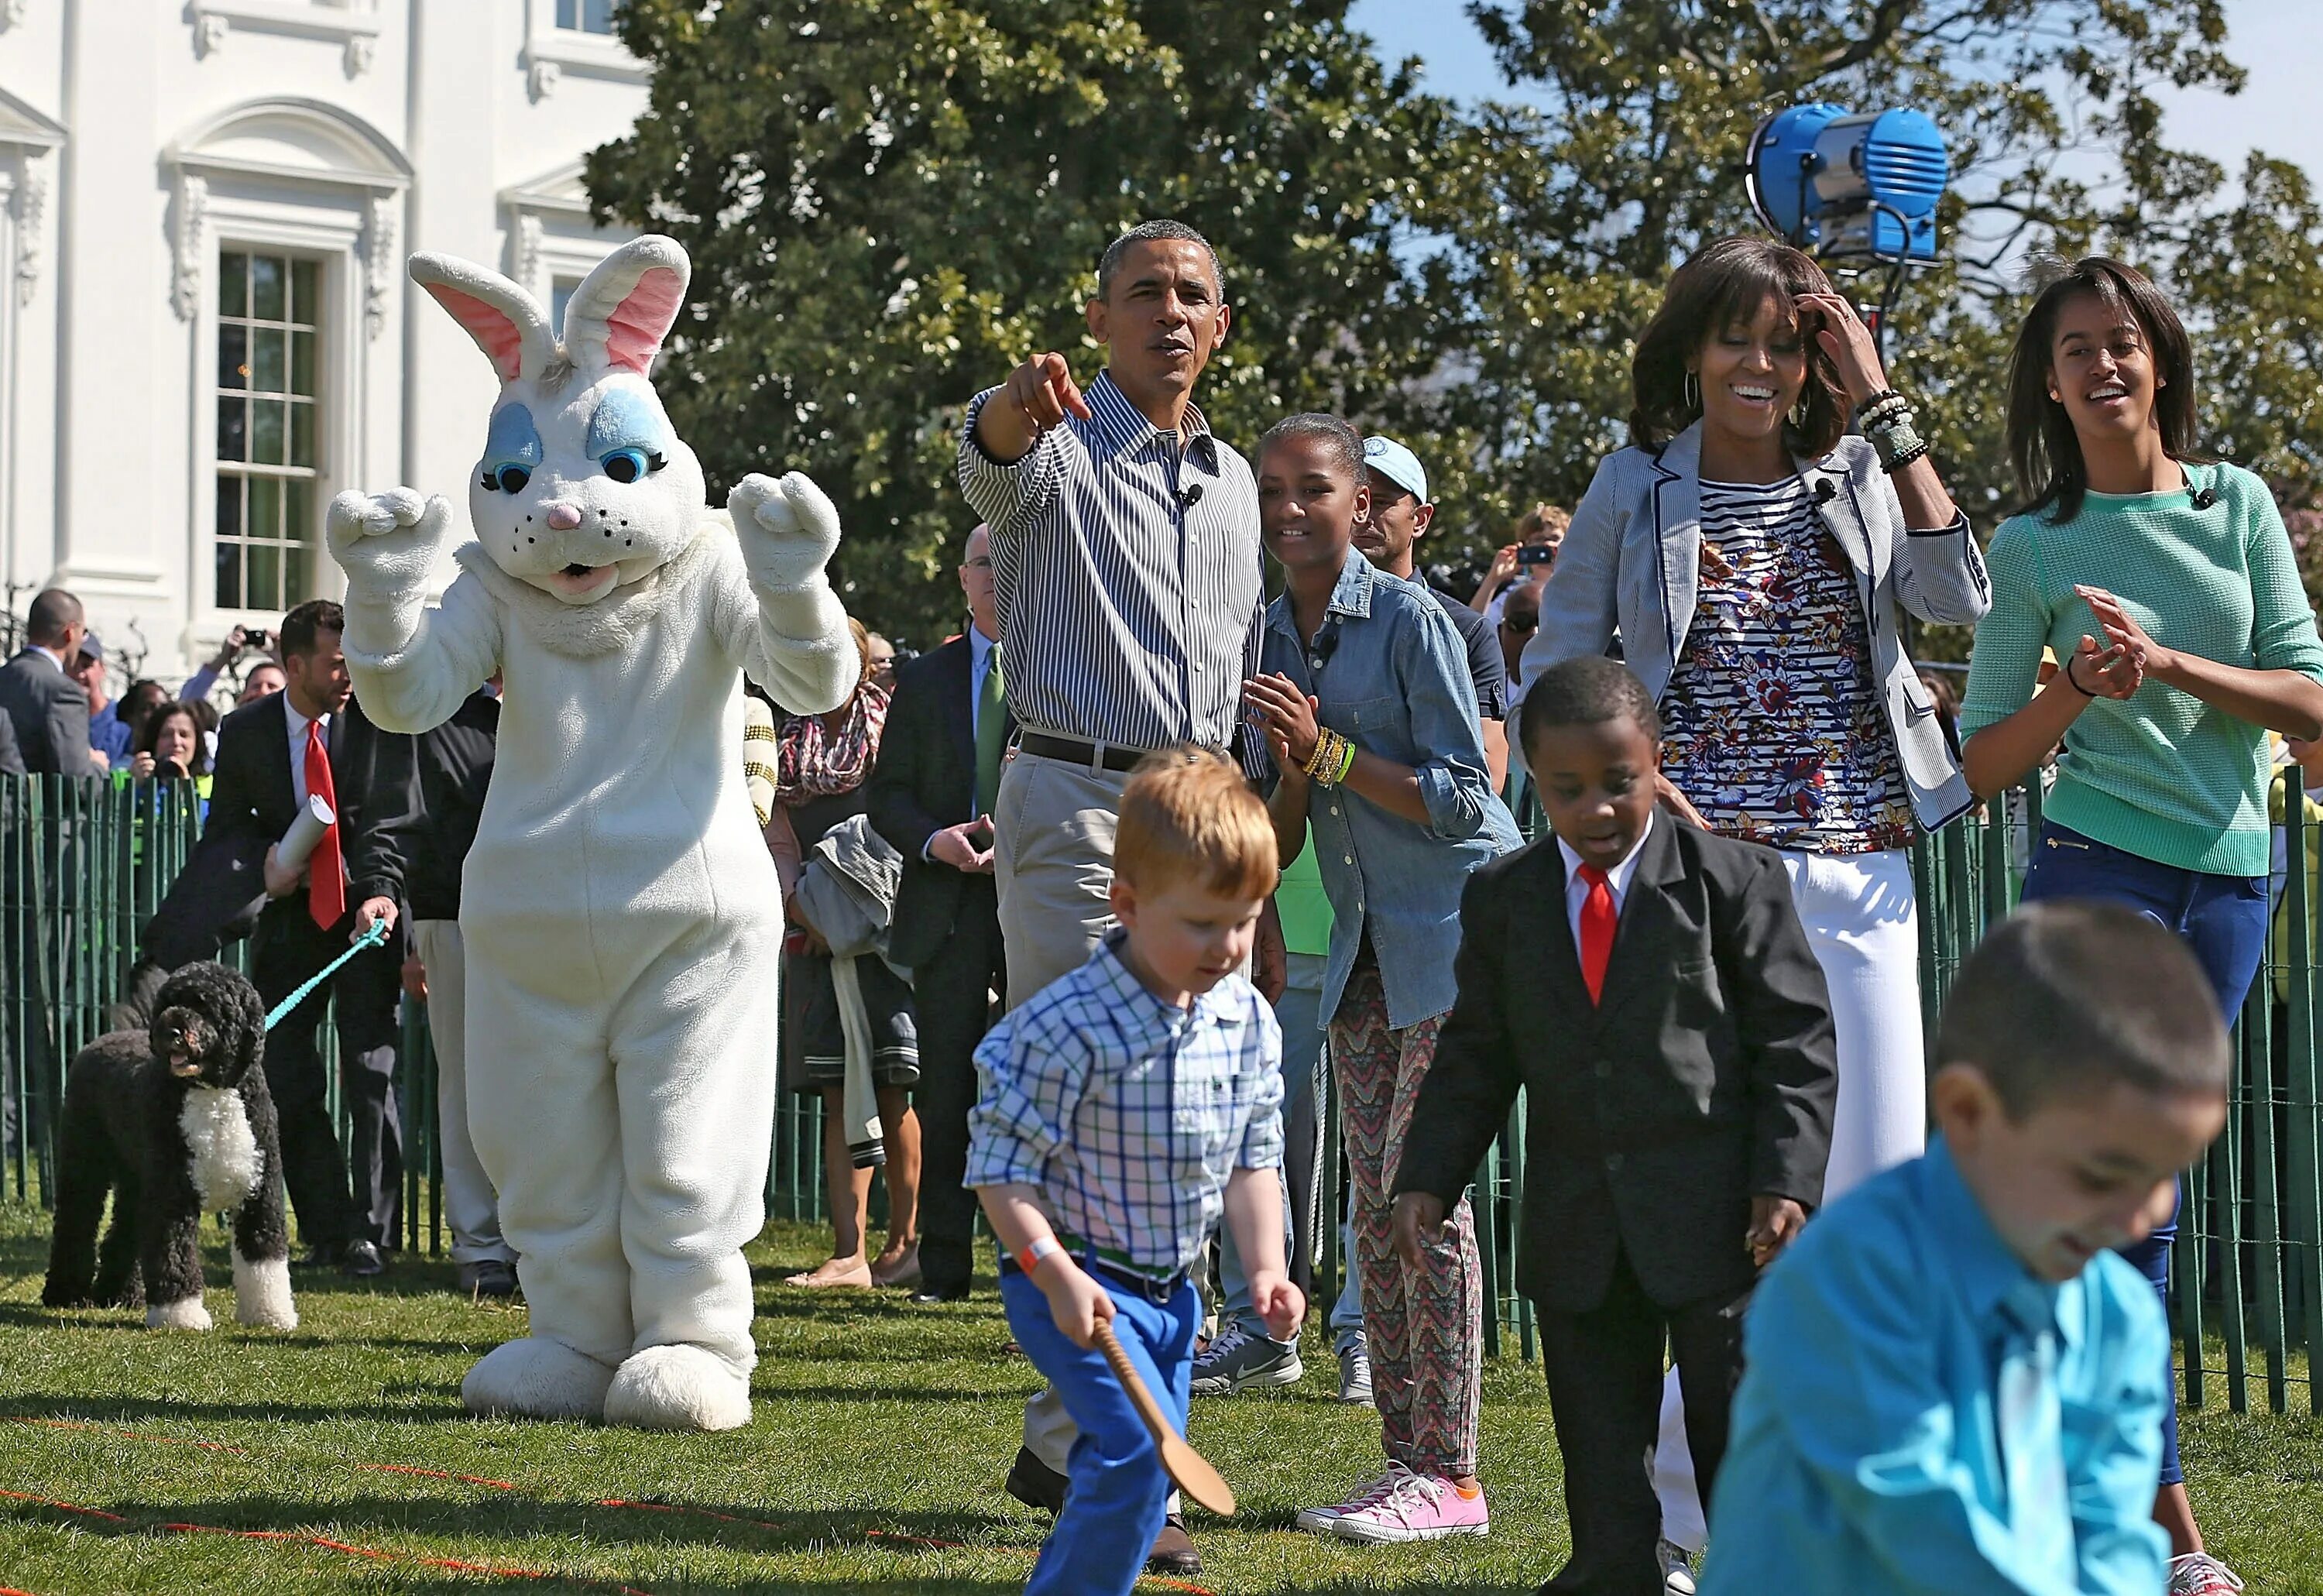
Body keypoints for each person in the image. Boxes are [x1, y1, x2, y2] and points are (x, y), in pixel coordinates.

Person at [1525, 235, 1990, 1584]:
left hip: (1860, 870)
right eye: (1737, 338)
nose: (1763, 366)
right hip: (1698, 884)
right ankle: (1677, 1519)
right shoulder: (1634, 485)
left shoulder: (1856, 474)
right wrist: (1634, 799)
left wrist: (1884, 398)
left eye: (1789, 345)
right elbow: (1557, 668)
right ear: (1687, 351)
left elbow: (1960, 597)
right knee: (1711, 1213)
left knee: (1876, 1198)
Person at [1957, 255, 2323, 1596]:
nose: (2103, 366)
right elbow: (1983, 760)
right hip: (2093, 871)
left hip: (2230, 884)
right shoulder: (2035, 543)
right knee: (2127, 1200)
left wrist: (2166, 665)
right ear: (2048, 385)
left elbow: (2309, 700)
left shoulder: (2239, 508)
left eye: (2122, 342)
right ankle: (2168, 1532)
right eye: (2075, 351)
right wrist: (2078, 692)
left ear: (2158, 358)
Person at [956, 216, 1265, 1577]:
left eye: (1194, 294)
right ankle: (1118, 1456)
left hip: (1196, 817)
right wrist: (1005, 408)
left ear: (1224, 324)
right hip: (1079, 809)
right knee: (1084, 1121)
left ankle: (1072, 1436)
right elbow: (982, 460)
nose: (1171, 312)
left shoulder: (1243, 482)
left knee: (1184, 1126)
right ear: (1098, 321)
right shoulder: (1060, 450)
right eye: (1144, 292)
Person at [1394, 657, 1837, 1594]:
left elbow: (1795, 1041)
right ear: (1533, 780)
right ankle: (1614, 1568)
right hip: (1580, 1219)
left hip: (1720, 1223)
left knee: (1739, 1429)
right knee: (1598, 1434)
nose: (1596, 809)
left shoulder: (1733, 881)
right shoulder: (1505, 899)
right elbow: (1475, 1054)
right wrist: (1429, 1176)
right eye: (1567, 790)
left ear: (1657, 764)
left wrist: (1785, 1181)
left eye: (1619, 784)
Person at [1699, 901, 2232, 1595]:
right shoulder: (1844, 1278)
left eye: (2165, 1174)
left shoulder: (2120, 1319)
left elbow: (2109, 1530)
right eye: (2103, 1174)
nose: (2140, 1216)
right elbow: (1912, 1512)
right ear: (1970, 1112)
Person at [1244, 413, 1521, 1544]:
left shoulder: (1409, 619)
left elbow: (1469, 795)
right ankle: (1406, 1462)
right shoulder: (1264, 630)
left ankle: (1452, 1477)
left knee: (1428, 1206)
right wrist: (1302, 779)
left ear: (1361, 506)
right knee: (1375, 1216)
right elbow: (1287, 810)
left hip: (1456, 939)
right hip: (1361, 951)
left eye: (1313, 489)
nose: (1289, 509)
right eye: (1271, 490)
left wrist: (1338, 754)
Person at [966, 748, 1301, 1596]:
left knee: (1138, 1482)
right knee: (1134, 1462)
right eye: (1201, 924)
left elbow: (1253, 1160)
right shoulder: (1064, 1028)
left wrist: (1265, 1270)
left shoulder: (1246, 1022)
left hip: (1169, 1298)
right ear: (1127, 904)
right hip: (1066, 1279)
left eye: (1246, 920)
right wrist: (1055, 1273)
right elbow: (1000, 1174)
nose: (1228, 947)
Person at [201, 599, 407, 1277]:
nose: (347, 674)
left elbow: (386, 819)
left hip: (361, 924)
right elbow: (226, 828)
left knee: (370, 1073)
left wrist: (381, 890)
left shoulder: (376, 722)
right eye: (335, 662)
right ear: (294, 665)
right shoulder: (245, 730)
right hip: (289, 925)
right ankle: (327, 1227)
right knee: (285, 1074)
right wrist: (266, 863)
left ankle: (373, 1234)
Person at [866, 523, 1013, 1304]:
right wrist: (935, 842)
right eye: (986, 563)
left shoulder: (1065, 674)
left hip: (1034, 904)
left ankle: (1031, 1265)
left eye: (1012, 562)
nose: (999, 576)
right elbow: (886, 795)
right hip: (945, 905)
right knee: (947, 1089)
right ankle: (946, 1268)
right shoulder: (927, 680)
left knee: (1032, 1087)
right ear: (963, 578)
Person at [767, 618, 923, 1291]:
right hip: (813, 930)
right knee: (836, 1089)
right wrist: (801, 904)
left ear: (859, 663)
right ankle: (848, 1252)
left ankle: (907, 1244)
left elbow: (910, 817)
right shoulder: (781, 732)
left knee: (895, 1086)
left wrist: (862, 910)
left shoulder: (894, 724)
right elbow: (771, 824)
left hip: (887, 931)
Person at [365, 678, 516, 1300]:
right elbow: (393, 814)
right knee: (468, 1080)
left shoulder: (569, 687)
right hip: (454, 915)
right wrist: (380, 886)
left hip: (558, 914)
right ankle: (483, 1248)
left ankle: (548, 1241)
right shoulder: (434, 703)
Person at [1356, 434, 1509, 788]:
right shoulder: (1301, 619)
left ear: (1420, 520)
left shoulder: (1466, 631)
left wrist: (1333, 758)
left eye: (1380, 502)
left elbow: (1488, 779)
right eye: (1354, 501)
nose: (1363, 516)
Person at [2, 588, 99, 776]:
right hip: (37, 804)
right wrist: (99, 767)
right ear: (69, 633)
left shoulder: (4, 676)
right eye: (83, 632)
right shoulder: (64, 691)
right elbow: (76, 782)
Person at [1470, 503, 1570, 623]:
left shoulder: (1582, 586)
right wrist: (1493, 579)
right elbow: (1472, 629)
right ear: (1525, 546)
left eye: (1555, 538)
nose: (1547, 544)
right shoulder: (1516, 595)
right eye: (1538, 539)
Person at [71, 634, 131, 766]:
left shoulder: (121, 718)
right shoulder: (61, 719)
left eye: (86, 666)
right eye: (72, 666)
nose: (79, 674)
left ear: (102, 669)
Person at [129, 702, 211, 787]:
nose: (176, 742)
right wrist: (139, 786)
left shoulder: (212, 784)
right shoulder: (129, 777)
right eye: (167, 735)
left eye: (184, 735)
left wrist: (186, 789)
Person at [1498, 581, 1542, 698]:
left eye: (1544, 623)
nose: (1534, 633)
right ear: (1500, 632)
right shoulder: (1477, 698)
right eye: (1521, 622)